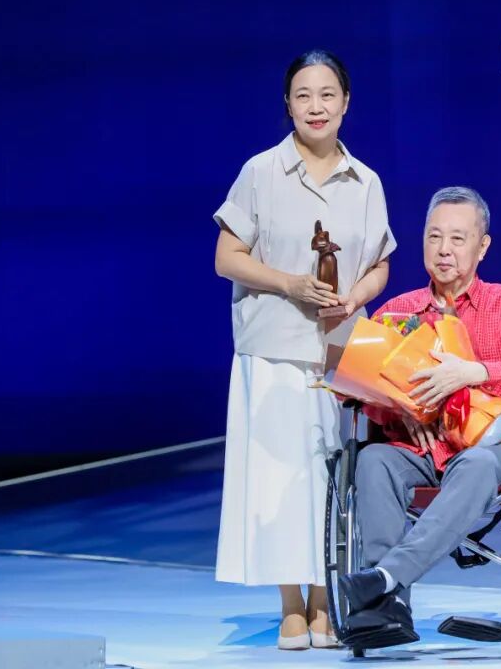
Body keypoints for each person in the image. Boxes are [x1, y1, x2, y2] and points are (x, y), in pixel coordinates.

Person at [212, 49, 396, 650]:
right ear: (288, 105)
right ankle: (292, 603)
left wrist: (355, 297)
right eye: (303, 95)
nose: (316, 107)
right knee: (279, 481)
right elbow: (226, 258)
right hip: (272, 348)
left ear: (346, 102)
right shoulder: (261, 172)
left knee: (331, 478)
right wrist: (290, 284)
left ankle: (326, 601)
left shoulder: (365, 182)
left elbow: (380, 265)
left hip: (341, 354)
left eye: (327, 95)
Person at [337, 186, 501, 649]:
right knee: (372, 461)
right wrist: (395, 404)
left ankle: (383, 581)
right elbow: (353, 391)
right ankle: (388, 611)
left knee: (478, 464)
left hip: (484, 449)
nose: (444, 250)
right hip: (412, 449)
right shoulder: (396, 312)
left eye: (458, 238)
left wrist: (476, 372)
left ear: (483, 246)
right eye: (434, 237)